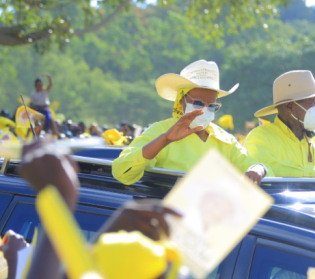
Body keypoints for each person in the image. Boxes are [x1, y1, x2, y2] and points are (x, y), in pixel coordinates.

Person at [112, 60, 267, 185]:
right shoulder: (160, 130)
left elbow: (255, 167)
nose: (204, 110)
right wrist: (165, 139)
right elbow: (121, 172)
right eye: (198, 103)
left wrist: (259, 168)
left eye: (212, 105)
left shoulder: (225, 139)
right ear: (181, 102)